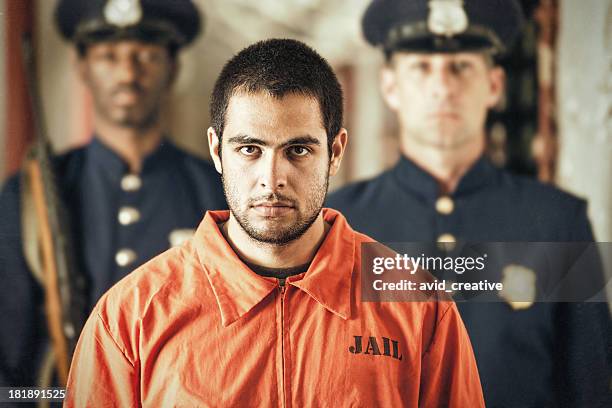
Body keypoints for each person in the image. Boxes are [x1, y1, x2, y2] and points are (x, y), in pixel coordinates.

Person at [64, 38, 485, 407]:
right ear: (216, 151)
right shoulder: (131, 316)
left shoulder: (418, 307)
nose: (272, 178)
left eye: (298, 150)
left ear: (335, 152)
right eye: (249, 149)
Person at [327, 0, 611, 406]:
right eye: (421, 68)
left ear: (494, 85)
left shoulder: (558, 221)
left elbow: (591, 386)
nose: (443, 87)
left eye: (461, 67)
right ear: (390, 87)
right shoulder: (340, 223)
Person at [0, 0, 226, 388]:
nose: (127, 73)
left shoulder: (218, 190)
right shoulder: (30, 194)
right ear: (81, 67)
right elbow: (8, 363)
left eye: (146, 56)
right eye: (108, 56)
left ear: (172, 69)